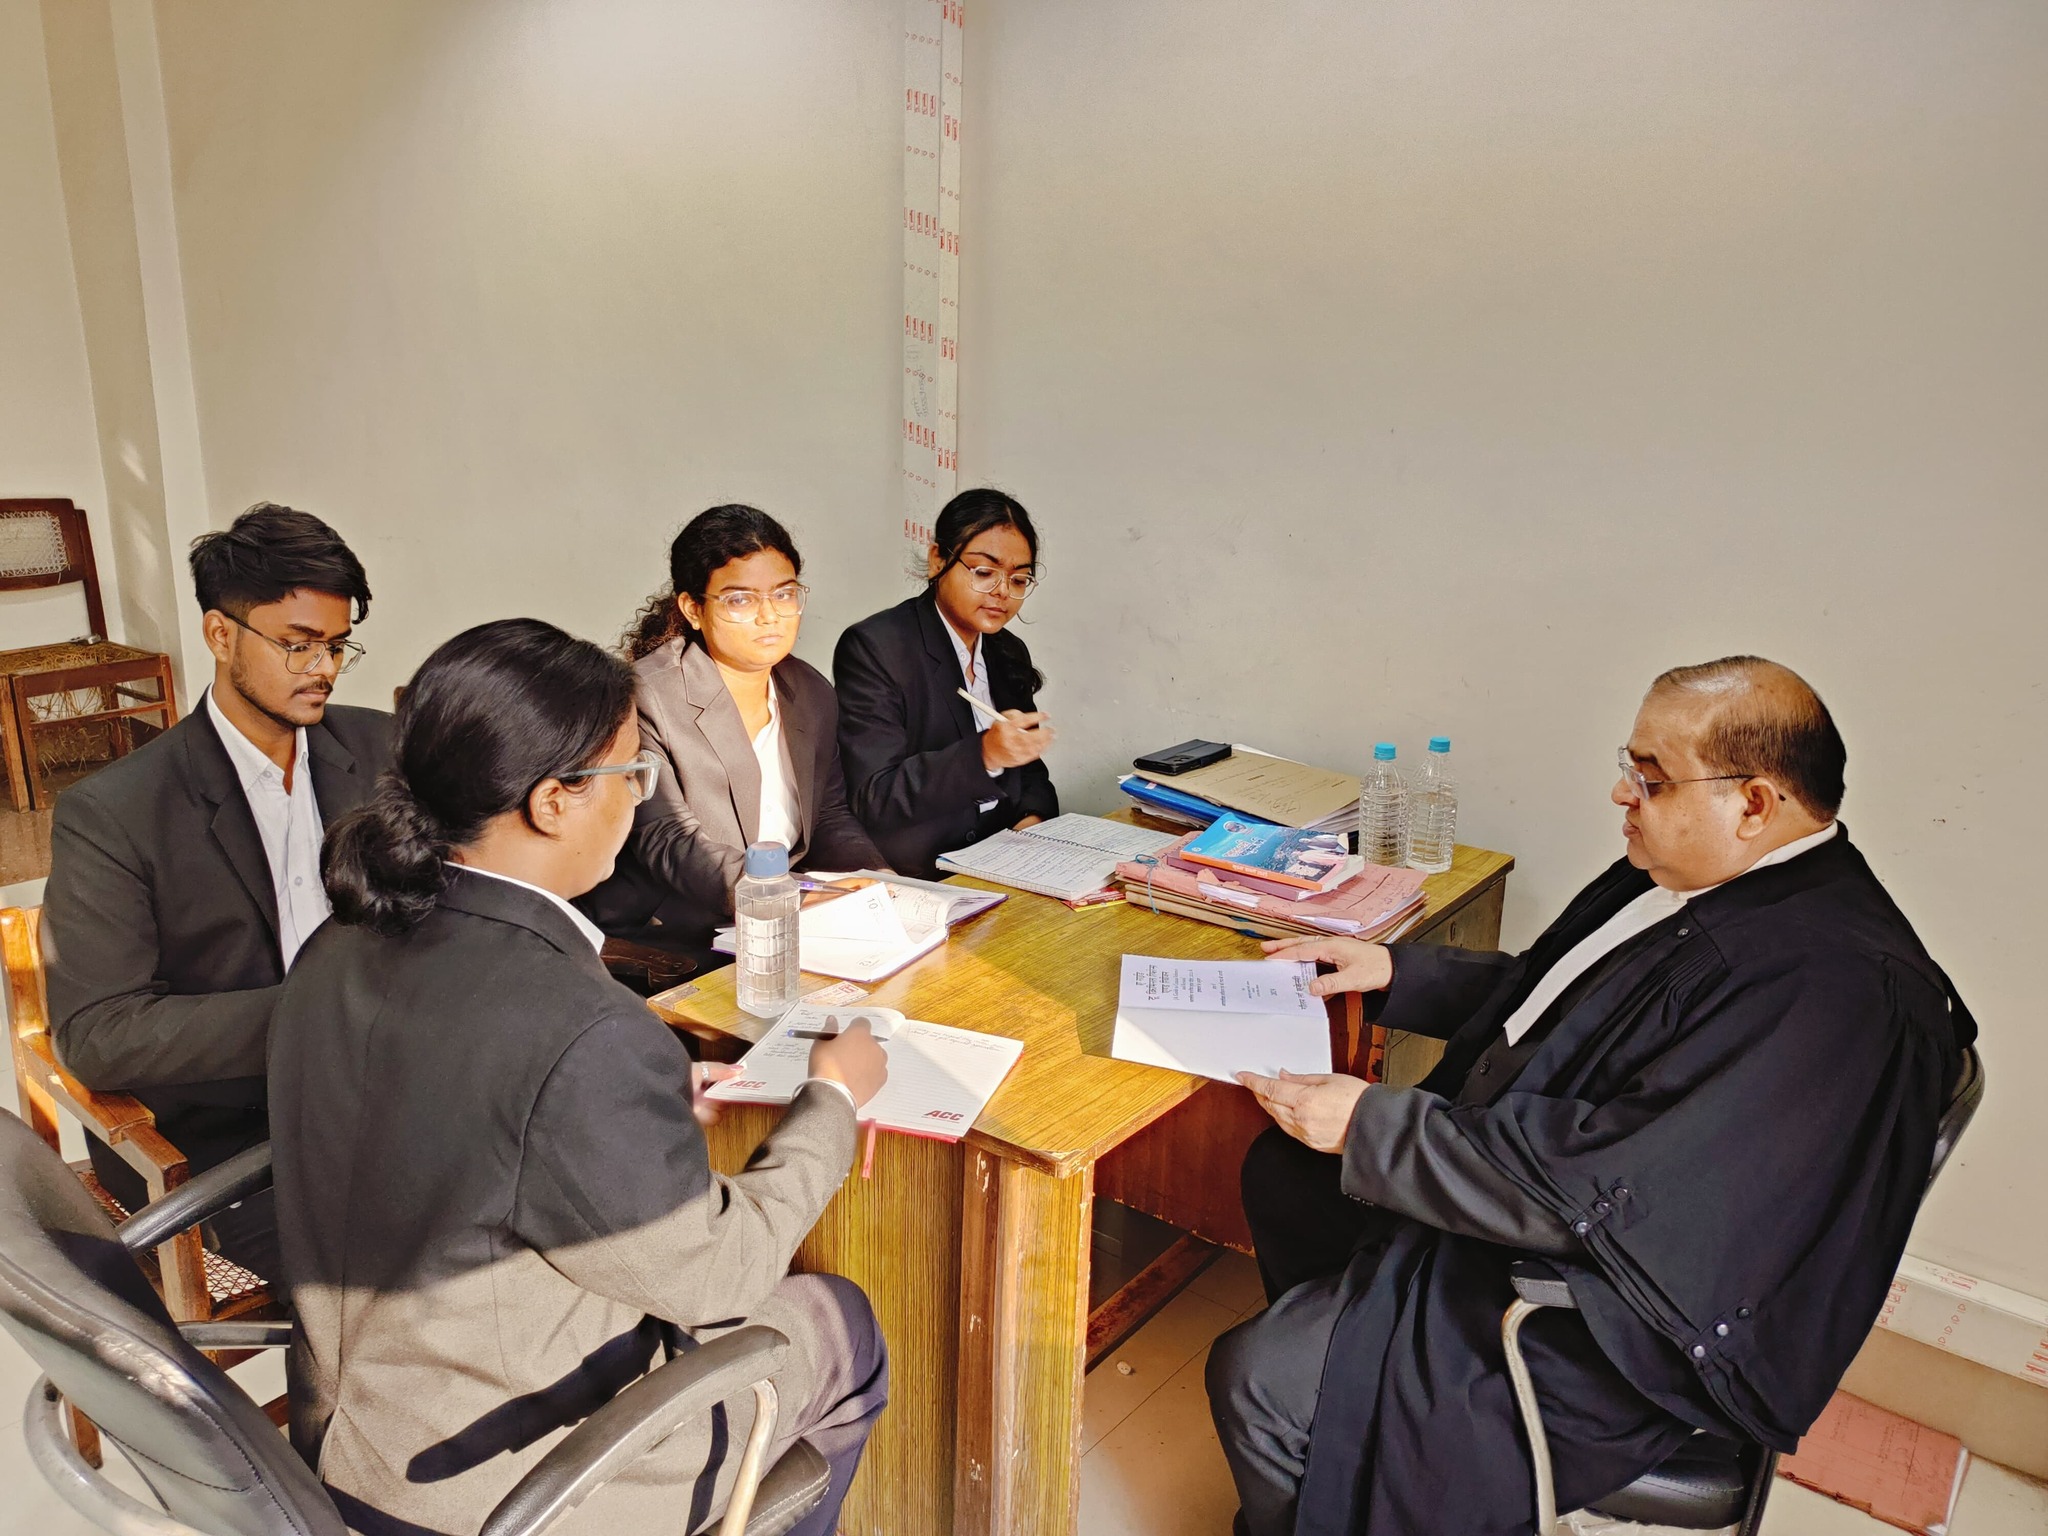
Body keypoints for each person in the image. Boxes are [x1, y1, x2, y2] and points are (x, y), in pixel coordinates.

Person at [1206, 657, 1976, 1536]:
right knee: (1286, 1172)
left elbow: (1619, 1192)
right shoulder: (1699, 878)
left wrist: (1372, 1124)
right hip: (1560, 1199)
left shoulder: (1830, 991)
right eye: (1630, 766)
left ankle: (1335, 1430)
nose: (1622, 793)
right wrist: (1394, 972)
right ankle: (1347, 1432)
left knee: (1258, 1381)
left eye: (1652, 777)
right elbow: (1563, 1007)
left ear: (1754, 805)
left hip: (1620, 1319)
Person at [270, 618, 890, 1536]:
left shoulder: (338, 943)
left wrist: (627, 1103)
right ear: (554, 800)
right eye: (632, 773)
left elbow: (453, 1109)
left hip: (347, 1423)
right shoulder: (581, 1024)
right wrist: (833, 1095)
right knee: (842, 1322)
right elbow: (718, 1276)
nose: (639, 799)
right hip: (503, 1482)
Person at [41, 504, 384, 1277]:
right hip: (233, 1144)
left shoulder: (383, 749)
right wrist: (328, 1015)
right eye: (297, 644)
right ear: (220, 635)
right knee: (405, 1283)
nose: (323, 669)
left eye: (337, 646)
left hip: (394, 1101)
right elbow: (98, 1034)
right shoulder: (116, 812)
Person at [579, 505, 887, 955]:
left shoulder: (811, 692)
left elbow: (829, 815)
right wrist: (782, 896)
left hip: (788, 921)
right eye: (741, 600)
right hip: (672, 936)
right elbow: (667, 838)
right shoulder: (647, 695)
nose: (769, 616)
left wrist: (877, 881)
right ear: (694, 609)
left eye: (784, 594)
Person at [833, 487, 1057, 879]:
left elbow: (1030, 772)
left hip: (1006, 860)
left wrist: (1031, 824)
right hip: (920, 872)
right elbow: (875, 796)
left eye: (1019, 579)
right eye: (984, 572)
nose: (1002, 592)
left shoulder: (1007, 651)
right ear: (938, 559)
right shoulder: (876, 647)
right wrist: (983, 756)